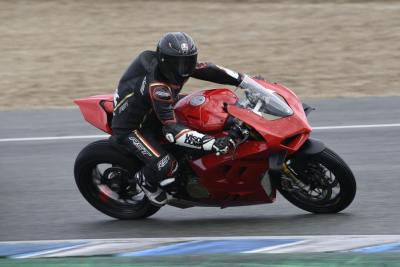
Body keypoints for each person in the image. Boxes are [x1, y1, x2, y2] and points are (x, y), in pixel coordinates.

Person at [111, 32, 246, 206]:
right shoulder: (159, 88)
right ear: (165, 61)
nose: (184, 68)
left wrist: (244, 81)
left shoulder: (171, 67)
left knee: (205, 109)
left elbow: (209, 70)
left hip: (150, 107)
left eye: (189, 61)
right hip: (133, 127)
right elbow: (171, 130)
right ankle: (145, 180)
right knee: (166, 164)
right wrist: (213, 143)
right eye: (178, 63)